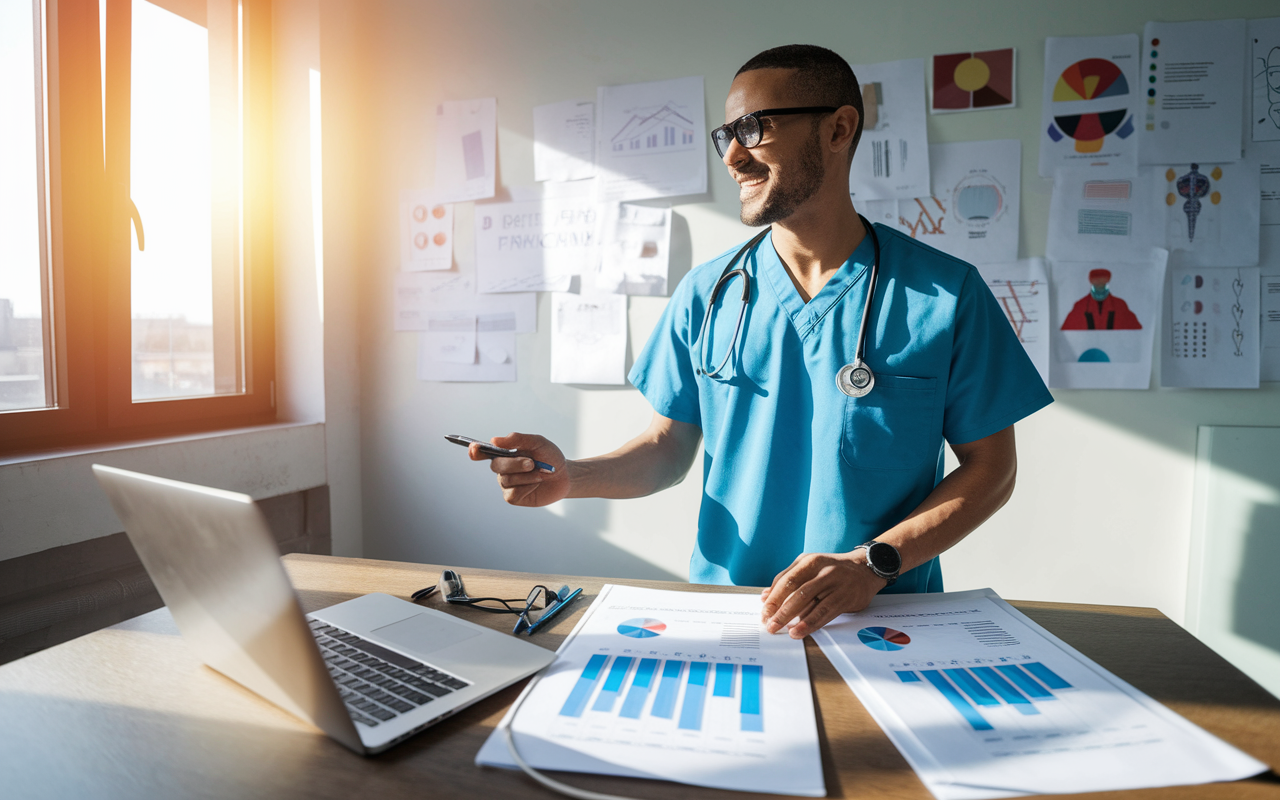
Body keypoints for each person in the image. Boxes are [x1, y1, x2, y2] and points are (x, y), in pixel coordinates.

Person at [470, 45, 1053, 638]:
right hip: (732, 618)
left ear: (839, 128)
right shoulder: (707, 293)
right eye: (725, 133)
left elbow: (993, 470)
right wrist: (572, 475)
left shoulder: (946, 294)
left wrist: (871, 562)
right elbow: (666, 448)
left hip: (882, 620)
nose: (732, 154)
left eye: (754, 127)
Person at [1061, 268, 1142, 330]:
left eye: (1102, 283)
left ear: (1107, 281)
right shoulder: (1080, 306)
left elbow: (1136, 333)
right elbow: (1067, 333)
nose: (1099, 282)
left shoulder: (1120, 305)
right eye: (1097, 281)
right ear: (1091, 281)